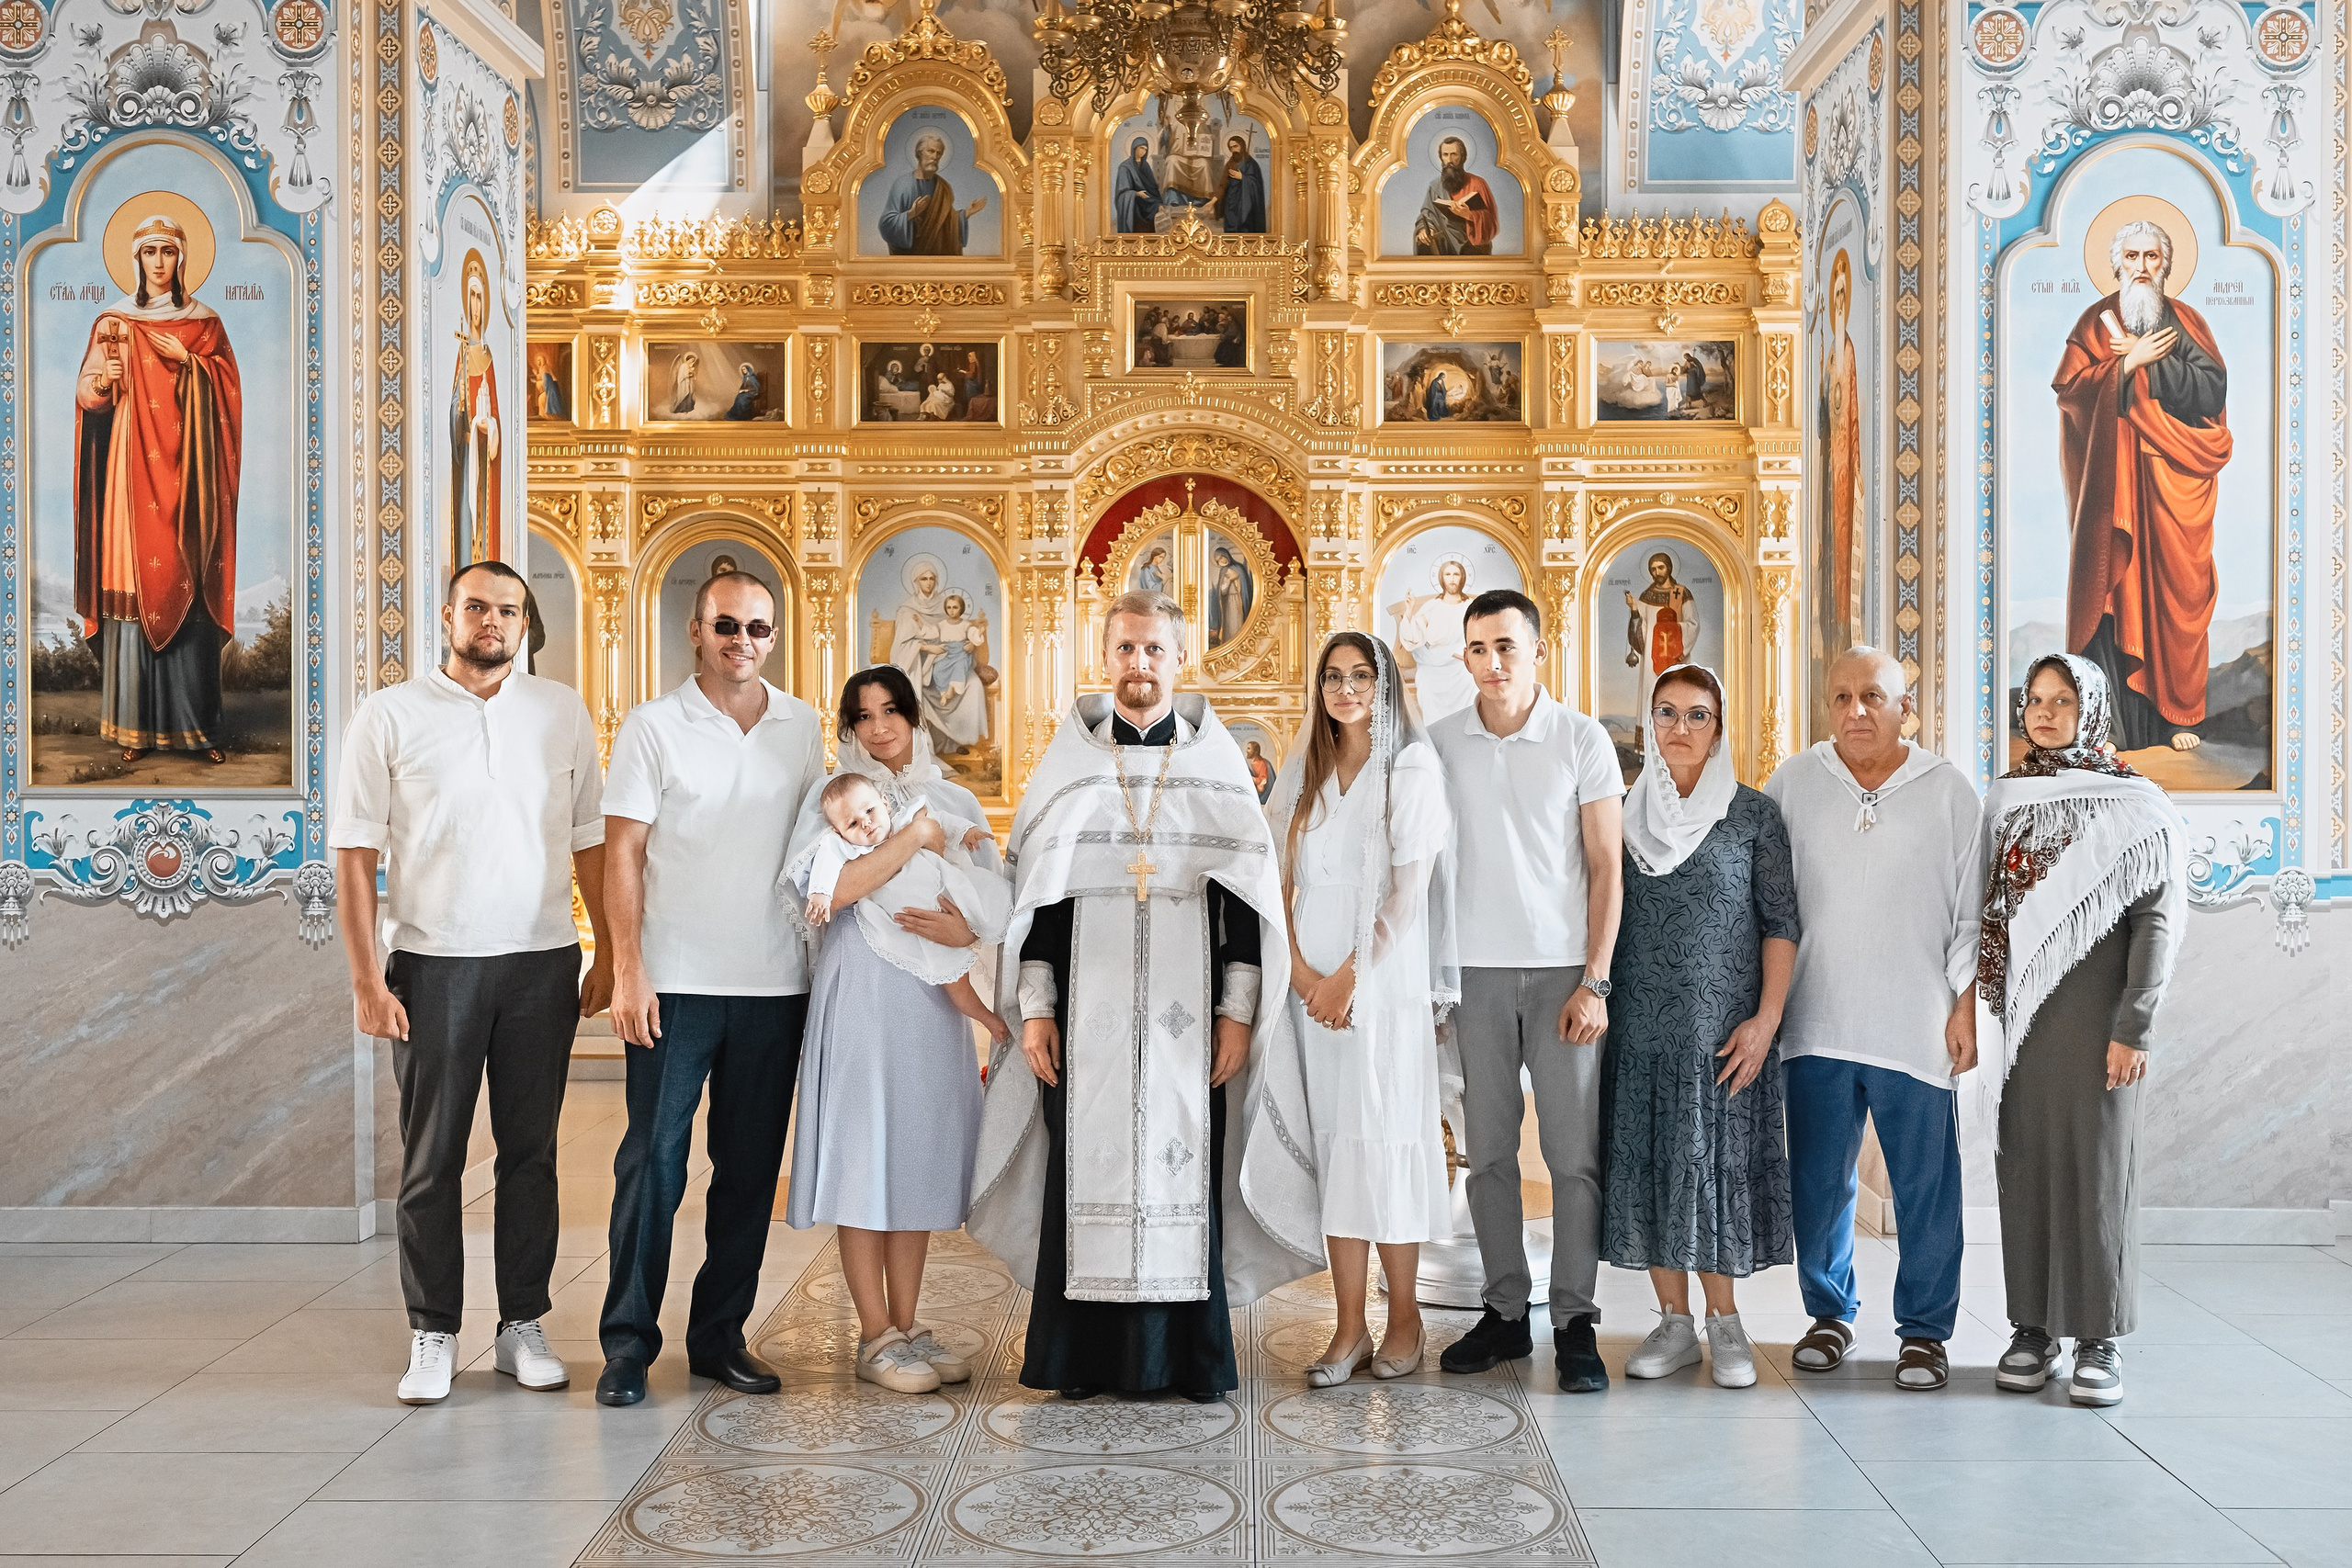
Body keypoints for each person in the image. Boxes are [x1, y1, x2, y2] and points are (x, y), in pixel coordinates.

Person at [967, 591, 1320, 1402]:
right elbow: (1043, 904)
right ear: (1107, 655)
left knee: (1180, 1164)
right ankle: (1078, 1361)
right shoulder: (1068, 768)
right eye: (1125, 649)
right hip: (1084, 1013)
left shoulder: (1217, 767)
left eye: (1154, 650)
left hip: (1187, 1014)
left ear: (1178, 658)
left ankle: (1188, 1359)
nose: (1139, 665)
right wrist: (1036, 1008)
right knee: (1081, 1164)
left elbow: (1241, 907)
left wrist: (1237, 1014)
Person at [330, 561, 611, 1405]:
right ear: (447, 613)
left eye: (510, 609)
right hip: (432, 964)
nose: (494, 621)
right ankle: (433, 1332)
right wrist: (364, 981)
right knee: (432, 1161)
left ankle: (522, 1323)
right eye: (479, 606)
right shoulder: (390, 715)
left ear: (526, 624)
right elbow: (353, 855)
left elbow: (590, 839)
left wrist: (608, 952)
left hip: (542, 961)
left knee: (532, 1155)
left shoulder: (560, 712)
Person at [591, 571, 823, 1407]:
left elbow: (816, 844)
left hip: (774, 983)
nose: (744, 641)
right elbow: (622, 852)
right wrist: (627, 967)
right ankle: (627, 1343)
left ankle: (719, 1335)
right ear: (696, 629)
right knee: (651, 1162)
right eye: (727, 625)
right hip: (675, 982)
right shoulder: (653, 727)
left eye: (759, 628)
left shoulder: (802, 726)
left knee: (750, 1169)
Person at [785, 668, 1010, 1394]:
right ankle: (874, 1333)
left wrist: (963, 925)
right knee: (864, 1150)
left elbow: (988, 901)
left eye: (892, 712)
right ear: (847, 728)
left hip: (931, 997)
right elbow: (835, 889)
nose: (879, 728)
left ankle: (908, 1325)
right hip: (862, 991)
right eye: (862, 716)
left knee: (914, 1153)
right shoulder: (833, 799)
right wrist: (913, 835)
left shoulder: (955, 798)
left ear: (915, 718)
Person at [1765, 646, 1984, 1392]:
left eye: (1873, 697)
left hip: (1915, 1016)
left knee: (1926, 1183)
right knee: (1820, 1182)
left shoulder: (1948, 790)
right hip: (1816, 1015)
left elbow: (1970, 911)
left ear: (1904, 707)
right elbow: (1765, 898)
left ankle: (1925, 1330)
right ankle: (1829, 1313)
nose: (1856, 711)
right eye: (1842, 697)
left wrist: (1963, 1004)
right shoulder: (1795, 782)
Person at [1428, 589, 1623, 1393]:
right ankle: (1506, 1311)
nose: (1494, 662)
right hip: (1473, 972)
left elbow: (1607, 865)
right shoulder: (1440, 744)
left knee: (1573, 1156)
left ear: (1539, 649)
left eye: (1507, 645)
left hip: (1562, 975)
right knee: (1489, 1153)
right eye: (1478, 648)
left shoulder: (1581, 739)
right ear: (1465, 658)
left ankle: (1575, 1318)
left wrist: (1595, 981)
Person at [1978, 655, 2185, 1406]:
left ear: (2091, 708)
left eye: (2061, 700)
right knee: (2026, 1169)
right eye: (2034, 700)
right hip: (2021, 1026)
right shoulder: (2008, 799)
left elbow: (2154, 922)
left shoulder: (2136, 804)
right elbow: (1986, 912)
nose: (2044, 712)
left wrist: (2134, 1024)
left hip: (2100, 1023)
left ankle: (2099, 1337)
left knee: (2099, 1175)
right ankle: (2032, 1328)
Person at [1602, 664, 1800, 1390]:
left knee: (1717, 1176)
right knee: (1656, 1170)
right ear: (1646, 724)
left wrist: (1766, 1021)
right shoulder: (1620, 815)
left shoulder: (1751, 816)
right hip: (1639, 1033)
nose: (1679, 729)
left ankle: (1727, 1321)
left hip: (1726, 1038)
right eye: (1666, 713)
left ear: (1719, 728)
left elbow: (1782, 923)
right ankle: (1675, 1321)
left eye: (1697, 715)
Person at [1267, 633, 1456, 1386]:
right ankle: (1347, 1328)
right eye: (1333, 677)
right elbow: (1277, 878)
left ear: (1385, 686)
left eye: (1360, 676)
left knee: (1383, 1139)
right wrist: (1304, 971)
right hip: (1312, 989)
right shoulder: (1309, 771)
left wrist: (1349, 976)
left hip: (1380, 985)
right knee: (1336, 1144)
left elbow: (1408, 894)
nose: (1346, 689)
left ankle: (1404, 1316)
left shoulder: (1409, 767)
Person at [2055, 219, 2230, 753]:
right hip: (2117, 490)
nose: (2142, 267)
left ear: (2166, 264)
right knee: (2117, 590)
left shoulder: (2188, 323)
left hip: (2173, 486)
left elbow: (2211, 389)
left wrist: (2154, 368)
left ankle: (2178, 719)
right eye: (2132, 257)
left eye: (2152, 257)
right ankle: (2111, 729)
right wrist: (2125, 362)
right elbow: (2069, 390)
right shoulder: (2093, 324)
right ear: (2116, 265)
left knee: (2177, 592)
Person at [74, 211, 242, 766]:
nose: (160, 263)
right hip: (130, 469)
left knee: (188, 572)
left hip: (191, 474)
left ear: (182, 259)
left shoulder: (205, 324)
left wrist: (189, 363)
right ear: (137, 259)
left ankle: (197, 731)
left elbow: (228, 393)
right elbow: (90, 397)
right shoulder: (115, 324)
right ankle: (133, 730)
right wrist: (103, 384)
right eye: (150, 253)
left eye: (168, 252)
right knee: (132, 577)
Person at [794, 773, 1008, 1043]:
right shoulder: (848, 849)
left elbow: (942, 822)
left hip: (944, 897)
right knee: (954, 978)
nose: (866, 823)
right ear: (840, 832)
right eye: (853, 824)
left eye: (869, 811)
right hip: (907, 925)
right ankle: (986, 1018)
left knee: (986, 896)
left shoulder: (905, 820)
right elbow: (827, 861)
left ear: (885, 803)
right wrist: (821, 894)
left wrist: (967, 831)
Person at [1393, 557, 1477, 723]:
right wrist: (1409, 610)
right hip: (1433, 664)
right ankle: (1434, 730)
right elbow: (1414, 636)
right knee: (1426, 681)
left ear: (1462, 578)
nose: (1452, 579)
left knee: (1471, 679)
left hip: (1462, 664)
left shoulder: (1472, 606)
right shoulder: (1433, 606)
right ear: (1441, 578)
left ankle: (1463, 727)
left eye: (1456, 574)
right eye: (1448, 574)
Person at [878, 128, 987, 255]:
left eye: (939, 153)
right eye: (931, 151)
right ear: (919, 153)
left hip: (937, 255)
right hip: (909, 257)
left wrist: (966, 214)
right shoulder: (903, 185)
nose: (935, 157)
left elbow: (946, 222)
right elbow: (886, 224)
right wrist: (911, 214)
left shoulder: (943, 187)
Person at [1413, 134, 1499, 255]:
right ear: (1441, 158)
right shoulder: (1435, 187)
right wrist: (1424, 229)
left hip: (1472, 248)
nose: (1449, 160)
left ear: (1463, 157)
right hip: (1444, 247)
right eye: (1445, 155)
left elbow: (1491, 221)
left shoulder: (1477, 184)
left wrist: (1469, 215)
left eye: (1454, 154)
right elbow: (1426, 215)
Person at [1216, 134, 1268, 232]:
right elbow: (1223, 183)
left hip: (1245, 204)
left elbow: (1256, 185)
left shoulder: (1251, 164)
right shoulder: (1230, 163)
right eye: (1231, 148)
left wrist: (1243, 178)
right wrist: (1213, 201)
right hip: (1230, 203)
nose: (1233, 150)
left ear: (1242, 146)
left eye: (1235, 146)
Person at [1114, 136, 1162, 233]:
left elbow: (1152, 187)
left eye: (1145, 149)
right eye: (1141, 148)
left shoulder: (1145, 166)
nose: (1143, 151)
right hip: (1134, 206)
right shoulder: (1125, 167)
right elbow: (1122, 193)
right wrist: (1136, 194)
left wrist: (1159, 202)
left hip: (1148, 203)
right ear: (1134, 148)